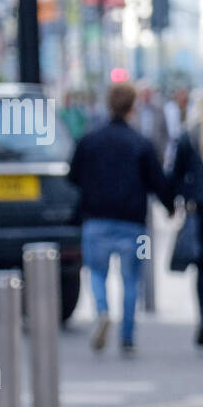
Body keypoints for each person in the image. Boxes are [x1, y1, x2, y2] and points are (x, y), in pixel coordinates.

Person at [68, 81, 175, 355]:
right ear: (132, 106)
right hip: (133, 223)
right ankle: (127, 337)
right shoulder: (141, 143)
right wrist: (170, 206)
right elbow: (157, 182)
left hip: (96, 220)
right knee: (131, 280)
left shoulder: (89, 140)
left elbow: (74, 176)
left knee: (96, 273)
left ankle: (102, 311)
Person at [168, 86, 203, 347]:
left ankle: (202, 319)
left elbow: (174, 176)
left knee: (201, 268)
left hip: (198, 210)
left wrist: (181, 198)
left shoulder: (189, 136)